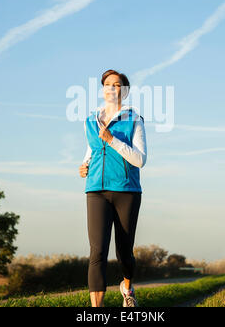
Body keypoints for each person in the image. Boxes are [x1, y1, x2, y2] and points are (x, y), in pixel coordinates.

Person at [79, 69, 147, 307]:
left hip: (126, 190)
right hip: (95, 190)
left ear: (124, 91)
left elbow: (140, 159)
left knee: (124, 252)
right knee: (97, 252)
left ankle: (127, 288)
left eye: (117, 85)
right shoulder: (90, 120)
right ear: (102, 89)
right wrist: (84, 165)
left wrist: (112, 140)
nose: (111, 88)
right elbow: (91, 150)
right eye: (107, 84)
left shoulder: (134, 120)